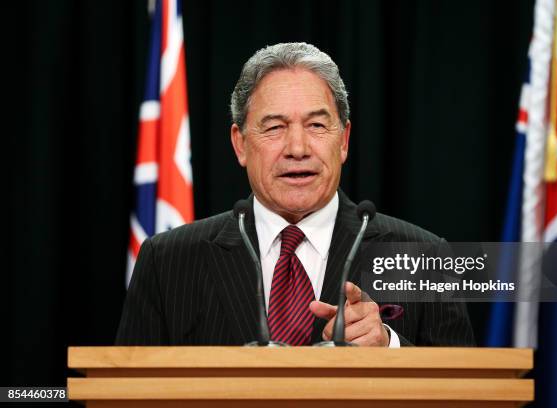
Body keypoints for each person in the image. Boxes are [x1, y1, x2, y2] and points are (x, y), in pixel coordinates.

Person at [116, 42, 474, 347]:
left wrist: (392, 349)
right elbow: (129, 391)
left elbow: (466, 393)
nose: (298, 148)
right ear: (240, 144)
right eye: (274, 127)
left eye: (317, 125)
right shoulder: (167, 262)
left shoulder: (424, 257)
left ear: (344, 140)